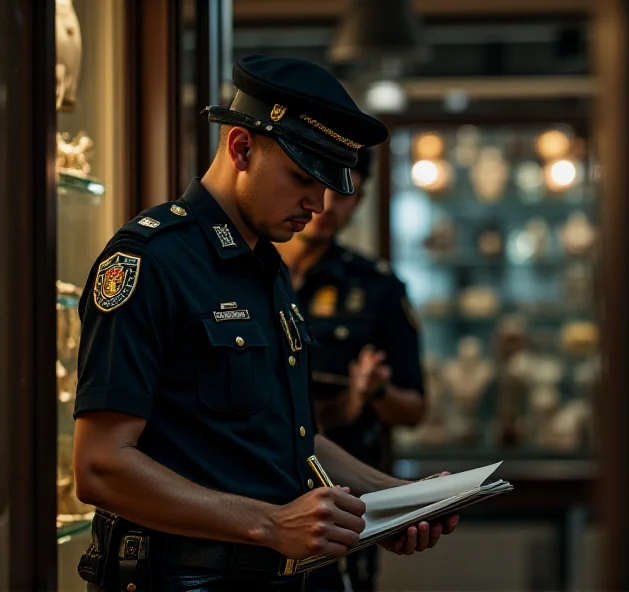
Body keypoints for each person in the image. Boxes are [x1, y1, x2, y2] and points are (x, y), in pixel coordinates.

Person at [72, 55, 458, 592]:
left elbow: (290, 437)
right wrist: (272, 524)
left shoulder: (265, 265)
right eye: (302, 177)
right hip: (183, 577)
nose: (318, 204)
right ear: (241, 147)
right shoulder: (152, 260)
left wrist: (393, 497)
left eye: (330, 184)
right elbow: (99, 466)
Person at [275, 147, 426, 592]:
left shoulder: (377, 287)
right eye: (311, 182)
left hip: (349, 496)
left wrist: (374, 392)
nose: (324, 203)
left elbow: (415, 409)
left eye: (344, 192)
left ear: (358, 201)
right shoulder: (250, 274)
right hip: (260, 494)